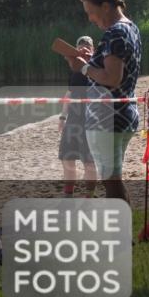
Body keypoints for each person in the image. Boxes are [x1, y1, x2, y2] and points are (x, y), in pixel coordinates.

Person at [65, 0, 141, 205]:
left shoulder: (114, 33)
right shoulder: (130, 27)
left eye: (91, 12)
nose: (90, 18)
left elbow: (111, 78)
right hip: (124, 112)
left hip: (107, 118)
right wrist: (92, 58)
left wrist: (84, 67)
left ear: (105, 6)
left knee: (111, 181)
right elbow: (116, 68)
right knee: (114, 178)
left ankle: (120, 236)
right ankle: (124, 233)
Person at [59, 35, 98, 198]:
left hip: (91, 118)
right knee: (67, 158)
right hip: (73, 119)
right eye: (81, 46)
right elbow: (69, 92)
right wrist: (62, 116)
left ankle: (90, 194)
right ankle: (68, 194)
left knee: (89, 161)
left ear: (93, 49)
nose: (84, 48)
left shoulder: (96, 65)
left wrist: (89, 61)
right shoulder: (74, 68)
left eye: (87, 46)